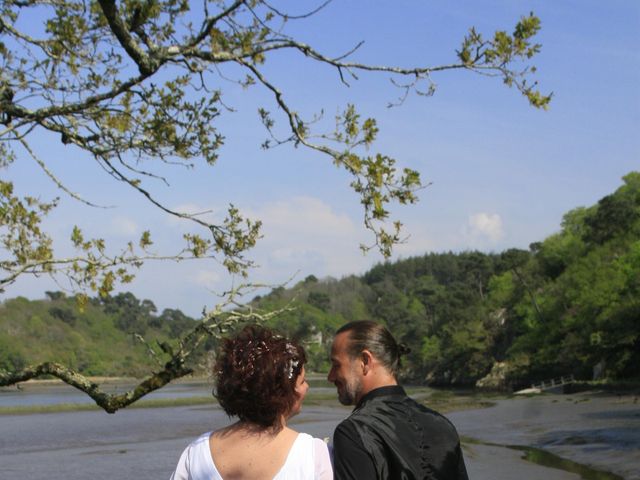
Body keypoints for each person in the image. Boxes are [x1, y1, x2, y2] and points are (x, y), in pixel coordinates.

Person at [170, 324, 333, 480]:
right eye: (303, 381)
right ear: (285, 391)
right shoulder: (314, 455)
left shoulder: (197, 453)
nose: (307, 387)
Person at [328, 320, 468, 480]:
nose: (330, 376)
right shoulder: (443, 425)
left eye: (336, 365)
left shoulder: (354, 432)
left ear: (365, 361)